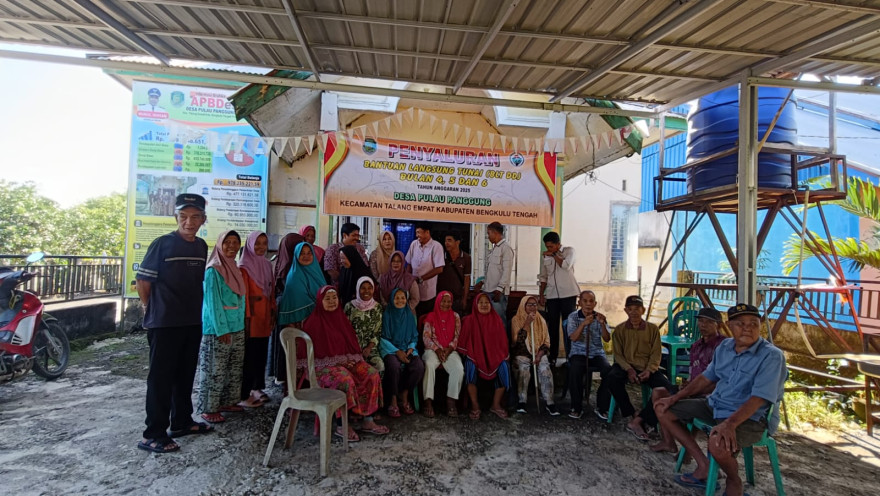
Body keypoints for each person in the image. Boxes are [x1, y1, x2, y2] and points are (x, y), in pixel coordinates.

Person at [655, 303, 786, 496]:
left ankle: (734, 481)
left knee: (717, 443)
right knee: (662, 408)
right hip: (715, 405)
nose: (747, 328)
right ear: (729, 326)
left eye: (753, 323)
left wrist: (730, 424)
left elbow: (760, 398)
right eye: (740, 323)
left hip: (751, 418)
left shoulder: (771, 356)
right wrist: (674, 398)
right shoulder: (725, 347)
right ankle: (704, 465)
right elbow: (706, 378)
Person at [136, 193, 212, 454]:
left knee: (185, 374)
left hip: (191, 321)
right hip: (165, 323)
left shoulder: (201, 246)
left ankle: (181, 422)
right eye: (183, 217)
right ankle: (153, 434)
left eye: (195, 217)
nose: (189, 222)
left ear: (203, 219)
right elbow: (143, 281)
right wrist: (151, 308)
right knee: (161, 378)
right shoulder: (163, 244)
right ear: (176, 217)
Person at [300, 286, 389, 441]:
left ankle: (368, 420)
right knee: (344, 380)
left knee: (372, 374)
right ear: (320, 301)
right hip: (321, 367)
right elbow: (309, 356)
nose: (332, 301)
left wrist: (349, 361)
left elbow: (351, 346)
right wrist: (339, 362)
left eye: (334, 298)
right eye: (327, 299)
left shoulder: (341, 319)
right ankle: (342, 425)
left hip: (346, 362)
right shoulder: (313, 322)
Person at [649, 307, 726, 452]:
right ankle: (668, 442)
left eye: (709, 322)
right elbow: (693, 373)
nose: (703, 325)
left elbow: (720, 380)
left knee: (668, 407)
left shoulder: (723, 346)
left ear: (719, 325)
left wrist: (692, 390)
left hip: (710, 394)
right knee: (658, 393)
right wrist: (687, 384)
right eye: (701, 321)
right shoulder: (696, 346)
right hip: (693, 389)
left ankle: (688, 451)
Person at [196, 230, 246, 424]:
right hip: (218, 329)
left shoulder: (235, 267)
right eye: (227, 242)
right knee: (214, 369)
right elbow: (212, 302)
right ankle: (209, 408)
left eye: (235, 242)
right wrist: (221, 329)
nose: (232, 246)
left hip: (237, 326)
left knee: (233, 368)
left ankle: (227, 402)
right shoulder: (213, 270)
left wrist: (240, 325)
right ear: (219, 245)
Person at [598, 295, 670, 423]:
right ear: (626, 311)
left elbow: (656, 354)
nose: (633, 312)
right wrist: (629, 369)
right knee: (611, 378)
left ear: (643, 310)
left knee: (666, 388)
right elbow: (618, 355)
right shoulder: (619, 330)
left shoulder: (652, 329)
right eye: (630, 309)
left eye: (637, 308)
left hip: (646, 367)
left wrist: (649, 370)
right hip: (625, 366)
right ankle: (631, 412)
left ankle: (645, 418)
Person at [274, 241, 324, 384]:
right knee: (301, 362)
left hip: (318, 325)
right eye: (302, 253)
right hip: (300, 327)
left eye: (309, 253)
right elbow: (298, 300)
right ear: (296, 256)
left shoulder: (317, 273)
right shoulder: (294, 276)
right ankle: (299, 393)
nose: (306, 256)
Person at [458, 293, 511, 420]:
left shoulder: (496, 320)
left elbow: (502, 343)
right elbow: (463, 343)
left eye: (486, 302)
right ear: (475, 305)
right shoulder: (469, 320)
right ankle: (475, 405)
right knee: (470, 366)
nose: (484, 305)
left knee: (504, 367)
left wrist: (499, 356)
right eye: (480, 302)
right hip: (475, 356)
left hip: (495, 356)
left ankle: (496, 405)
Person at [238, 231, 275, 408]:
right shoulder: (244, 266)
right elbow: (244, 296)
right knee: (250, 355)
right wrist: (246, 318)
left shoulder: (267, 264)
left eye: (264, 243)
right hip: (252, 317)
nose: (261, 247)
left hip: (264, 316)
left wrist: (273, 311)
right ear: (250, 245)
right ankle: (246, 391)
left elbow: (271, 289)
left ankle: (257, 387)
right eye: (257, 243)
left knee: (261, 353)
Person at [565, 290, 612, 419]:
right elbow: (573, 338)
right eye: (585, 301)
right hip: (578, 353)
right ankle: (576, 407)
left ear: (595, 303)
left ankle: (602, 407)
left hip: (597, 353)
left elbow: (607, 338)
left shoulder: (600, 317)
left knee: (609, 371)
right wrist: (583, 324)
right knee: (575, 370)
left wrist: (602, 324)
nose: (588, 304)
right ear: (579, 303)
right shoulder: (573, 317)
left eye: (591, 301)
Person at [380, 288, 426, 417]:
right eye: (397, 298)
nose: (400, 300)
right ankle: (393, 400)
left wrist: (410, 348)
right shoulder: (387, 314)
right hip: (391, 349)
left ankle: (404, 394)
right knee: (393, 366)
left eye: (403, 298)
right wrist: (397, 351)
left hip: (407, 349)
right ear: (392, 299)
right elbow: (383, 338)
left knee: (418, 366)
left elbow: (414, 337)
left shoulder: (409, 314)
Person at [510, 296, 559, 415]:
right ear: (523, 305)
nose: (532, 307)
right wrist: (527, 323)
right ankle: (522, 401)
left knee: (545, 370)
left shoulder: (541, 320)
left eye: (535, 304)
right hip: (522, 352)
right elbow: (517, 342)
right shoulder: (516, 319)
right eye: (529, 304)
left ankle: (550, 402)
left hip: (538, 352)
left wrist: (539, 355)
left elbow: (546, 341)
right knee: (523, 370)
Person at [538, 231, 580, 365]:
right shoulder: (546, 256)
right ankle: (553, 356)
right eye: (547, 247)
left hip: (568, 294)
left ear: (558, 244)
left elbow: (566, 265)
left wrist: (554, 254)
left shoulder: (569, 251)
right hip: (552, 295)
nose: (548, 249)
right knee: (552, 326)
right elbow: (543, 276)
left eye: (551, 246)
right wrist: (541, 294)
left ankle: (570, 357)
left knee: (568, 325)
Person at [421, 291, 464, 418]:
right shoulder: (431, 316)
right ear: (438, 302)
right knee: (429, 364)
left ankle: (451, 401)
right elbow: (426, 337)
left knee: (458, 368)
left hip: (449, 350)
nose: (446, 304)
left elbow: (457, 336)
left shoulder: (455, 316)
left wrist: (449, 349)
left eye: (449, 301)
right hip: (432, 349)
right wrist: (437, 349)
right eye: (443, 301)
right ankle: (428, 402)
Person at [473, 222, 514, 326]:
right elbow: (492, 272)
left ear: (495, 233)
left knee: (499, 321)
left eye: (489, 233)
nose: (488, 236)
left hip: (497, 293)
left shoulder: (506, 248)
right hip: (488, 290)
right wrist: (482, 282)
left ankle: (501, 337)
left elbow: (507, 271)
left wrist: (499, 289)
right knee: (487, 321)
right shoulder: (494, 249)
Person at [343, 277, 385, 374]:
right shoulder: (349, 306)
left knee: (380, 365)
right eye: (363, 288)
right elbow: (345, 330)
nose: (366, 291)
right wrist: (355, 348)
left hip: (370, 348)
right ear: (358, 289)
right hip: (352, 348)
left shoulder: (377, 307)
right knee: (354, 369)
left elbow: (377, 332)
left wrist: (369, 348)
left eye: (369, 288)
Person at [405, 222, 445, 317]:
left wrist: (421, 279)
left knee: (425, 318)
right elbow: (409, 263)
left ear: (427, 232)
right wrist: (407, 280)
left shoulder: (436, 246)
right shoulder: (414, 244)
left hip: (428, 293)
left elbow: (439, 269)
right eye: (416, 232)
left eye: (419, 232)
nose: (417, 235)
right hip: (413, 291)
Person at [436, 232, 472, 314]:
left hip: (457, 297)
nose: (446, 243)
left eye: (449, 240)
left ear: (457, 242)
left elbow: (467, 279)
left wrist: (465, 299)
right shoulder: (441, 256)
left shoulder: (466, 258)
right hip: (442, 297)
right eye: (445, 241)